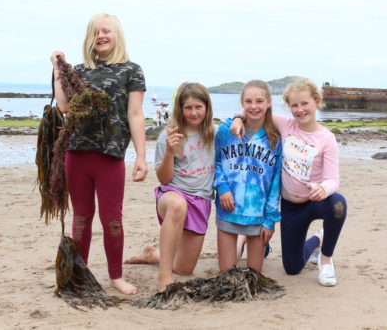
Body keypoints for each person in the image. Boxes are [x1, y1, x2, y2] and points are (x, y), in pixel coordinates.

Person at [50, 13, 147, 295]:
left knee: (112, 219)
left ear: (117, 35)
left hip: (111, 155)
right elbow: (66, 106)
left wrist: (141, 156)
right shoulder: (78, 71)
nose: (101, 36)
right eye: (95, 32)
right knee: (81, 217)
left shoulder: (132, 70)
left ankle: (116, 276)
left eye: (106, 31)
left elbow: (136, 114)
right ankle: (81, 274)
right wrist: (58, 70)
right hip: (77, 152)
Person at [231, 79, 347, 286]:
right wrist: (238, 119)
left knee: (338, 203)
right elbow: (254, 110)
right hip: (290, 208)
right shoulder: (286, 125)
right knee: (292, 268)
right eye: (295, 105)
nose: (300, 110)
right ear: (288, 107)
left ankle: (326, 259)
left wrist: (323, 188)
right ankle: (317, 240)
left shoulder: (326, 138)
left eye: (305, 104)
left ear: (317, 101)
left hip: (314, 201)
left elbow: (333, 179)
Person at [125, 82, 215, 292]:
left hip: (201, 200)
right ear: (180, 109)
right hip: (172, 195)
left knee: (184, 269)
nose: (193, 112)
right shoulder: (169, 135)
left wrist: (237, 119)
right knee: (177, 204)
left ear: (207, 108)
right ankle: (164, 276)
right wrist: (169, 152)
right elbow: (163, 179)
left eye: (198, 107)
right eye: (188, 107)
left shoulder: (215, 133)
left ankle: (152, 254)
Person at [214, 80, 282, 273]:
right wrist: (222, 188)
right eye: (249, 101)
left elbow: (276, 184)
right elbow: (216, 162)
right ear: (242, 103)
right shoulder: (227, 131)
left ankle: (248, 241)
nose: (254, 106)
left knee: (254, 276)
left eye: (259, 101)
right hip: (229, 210)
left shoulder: (275, 139)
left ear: (268, 102)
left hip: (257, 215)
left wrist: (270, 221)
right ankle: (239, 241)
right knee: (226, 275)